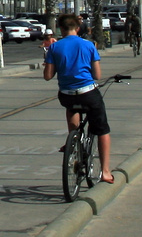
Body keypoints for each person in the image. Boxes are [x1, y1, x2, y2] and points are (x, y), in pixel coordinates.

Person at [42, 14, 117, 184]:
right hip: (88, 93)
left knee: (72, 107)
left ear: (61, 29)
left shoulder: (55, 47)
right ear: (77, 28)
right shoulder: (88, 45)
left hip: (66, 95)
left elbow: (48, 76)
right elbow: (97, 75)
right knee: (102, 129)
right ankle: (105, 172)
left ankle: (73, 140)